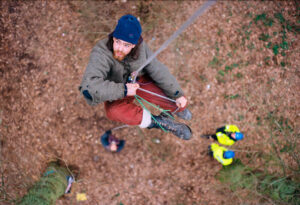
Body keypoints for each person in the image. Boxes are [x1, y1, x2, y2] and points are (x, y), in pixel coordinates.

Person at [79, 14, 192, 141]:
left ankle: (177, 109)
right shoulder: (101, 52)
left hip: (139, 81)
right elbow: (89, 86)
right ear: (113, 37)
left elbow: (157, 69)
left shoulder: (141, 48)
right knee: (113, 111)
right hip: (118, 88)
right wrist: (124, 90)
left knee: (176, 100)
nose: (120, 49)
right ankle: (159, 122)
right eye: (117, 42)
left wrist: (177, 93)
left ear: (134, 45)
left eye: (126, 45)